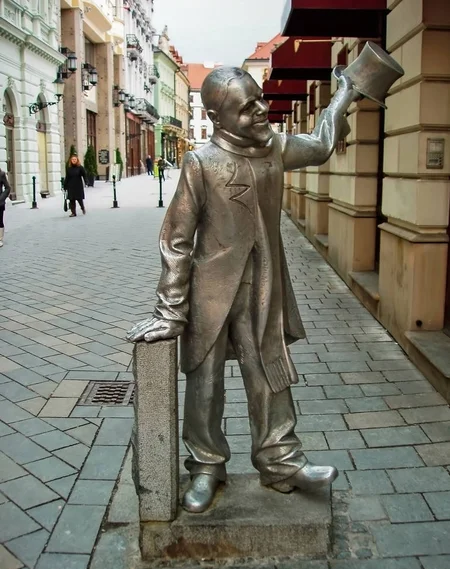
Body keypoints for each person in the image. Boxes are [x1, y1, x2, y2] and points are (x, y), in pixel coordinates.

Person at [128, 66, 360, 513]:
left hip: (263, 285)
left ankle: (281, 462)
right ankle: (205, 467)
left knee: (269, 371)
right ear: (217, 118)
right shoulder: (201, 162)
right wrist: (171, 310)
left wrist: (343, 98)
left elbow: (321, 144)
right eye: (246, 106)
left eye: (259, 99)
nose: (260, 109)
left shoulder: (275, 146)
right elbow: (175, 239)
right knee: (206, 381)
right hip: (210, 292)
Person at [0, 167, 11, 248]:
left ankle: (0, 239)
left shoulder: (1, 174)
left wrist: (1, 198)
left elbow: (8, 188)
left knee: (0, 220)